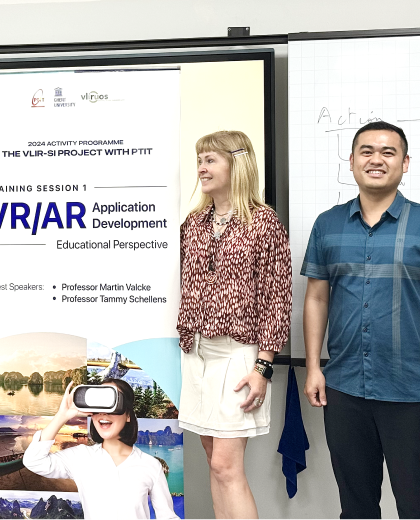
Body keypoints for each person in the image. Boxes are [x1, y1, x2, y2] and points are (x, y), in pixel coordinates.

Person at [302, 121, 420, 520]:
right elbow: (317, 298)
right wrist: (313, 367)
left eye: (388, 152)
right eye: (367, 151)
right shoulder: (327, 224)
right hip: (344, 389)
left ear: (405, 163)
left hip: (413, 393)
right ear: (352, 160)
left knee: (418, 507)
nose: (377, 159)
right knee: (356, 508)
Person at [176, 130, 292, 520]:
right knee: (214, 461)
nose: (201, 168)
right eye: (199, 160)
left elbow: (278, 298)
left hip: (239, 355)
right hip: (196, 354)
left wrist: (263, 367)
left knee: (227, 466)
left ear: (236, 164)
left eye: (210, 160)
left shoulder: (264, 222)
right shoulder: (193, 223)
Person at [23, 380, 179, 520]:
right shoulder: (81, 457)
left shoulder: (150, 465)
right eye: (98, 405)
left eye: (112, 404)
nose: (103, 413)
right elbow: (34, 461)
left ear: (128, 415)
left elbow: (167, 517)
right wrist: (62, 416)